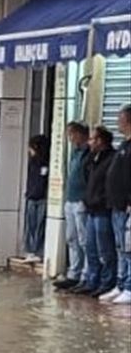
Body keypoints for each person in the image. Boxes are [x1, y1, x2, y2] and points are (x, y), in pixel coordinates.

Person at [71, 126, 117, 297]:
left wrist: (103, 200)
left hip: (103, 209)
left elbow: (111, 183)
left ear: (100, 141)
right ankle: (92, 280)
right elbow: (86, 174)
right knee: (91, 248)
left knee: (105, 249)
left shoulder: (111, 158)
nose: (89, 142)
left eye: (92, 139)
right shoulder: (93, 158)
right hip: (91, 208)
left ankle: (107, 282)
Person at [54, 123, 91, 290]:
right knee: (71, 238)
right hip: (70, 200)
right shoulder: (74, 153)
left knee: (84, 240)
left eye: (72, 134)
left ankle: (86, 274)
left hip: (82, 201)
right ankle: (74, 273)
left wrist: (86, 199)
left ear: (81, 134)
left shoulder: (89, 153)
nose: (70, 138)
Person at [102, 105, 131, 305]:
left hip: (126, 206)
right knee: (120, 248)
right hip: (115, 206)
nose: (117, 123)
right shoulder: (124, 145)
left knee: (128, 248)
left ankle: (129, 287)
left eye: (120, 119)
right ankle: (121, 284)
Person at [23, 134, 49, 262]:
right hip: (32, 197)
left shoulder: (45, 162)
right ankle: (30, 250)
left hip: (42, 197)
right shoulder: (32, 162)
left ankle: (38, 251)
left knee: (39, 226)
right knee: (31, 226)